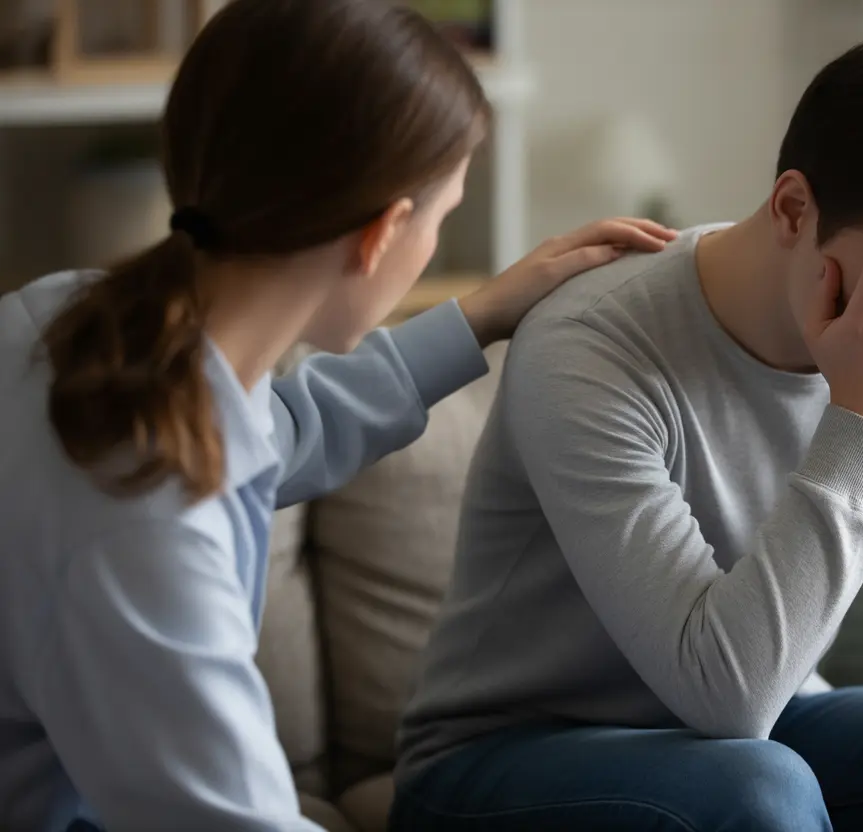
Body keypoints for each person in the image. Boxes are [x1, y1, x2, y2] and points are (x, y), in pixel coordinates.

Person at [393, 38, 863, 832]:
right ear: (795, 210)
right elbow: (729, 697)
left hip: (763, 729)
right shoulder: (589, 345)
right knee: (759, 791)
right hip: (502, 758)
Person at [0, 2, 677, 830]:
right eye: (442, 216)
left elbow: (276, 428)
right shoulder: (143, 527)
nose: (434, 238)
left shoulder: (61, 319)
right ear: (383, 233)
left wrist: (477, 316)